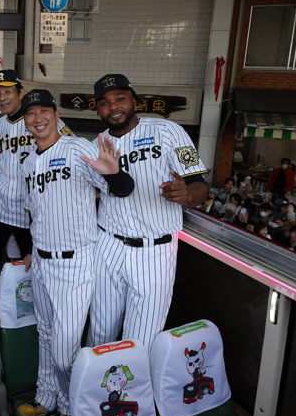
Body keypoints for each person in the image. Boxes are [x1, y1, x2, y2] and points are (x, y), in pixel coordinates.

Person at [16, 89, 134, 416]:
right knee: (45, 335)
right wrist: (31, 250)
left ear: (56, 115)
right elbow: (35, 212)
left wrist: (115, 174)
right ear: (25, 120)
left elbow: (121, 188)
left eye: (44, 111)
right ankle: (46, 398)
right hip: (42, 259)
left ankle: (71, 407)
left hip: (76, 261)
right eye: (31, 113)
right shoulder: (28, 161)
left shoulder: (77, 148)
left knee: (65, 350)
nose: (38, 118)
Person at [88, 73, 208, 350]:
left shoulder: (169, 131)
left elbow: (200, 185)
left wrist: (188, 195)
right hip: (107, 244)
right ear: (98, 110)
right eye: (104, 103)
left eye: (120, 98)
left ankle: (133, 380)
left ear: (134, 101)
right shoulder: (96, 147)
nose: (113, 106)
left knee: (141, 339)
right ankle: (96, 379)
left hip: (155, 250)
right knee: (100, 331)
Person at [0, 69, 73, 345]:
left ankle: (36, 322)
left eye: (8, 92)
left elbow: (69, 151)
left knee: (35, 270)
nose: (2, 98)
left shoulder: (43, 120)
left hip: (31, 214)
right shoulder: (0, 124)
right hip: (0, 209)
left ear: (20, 93)